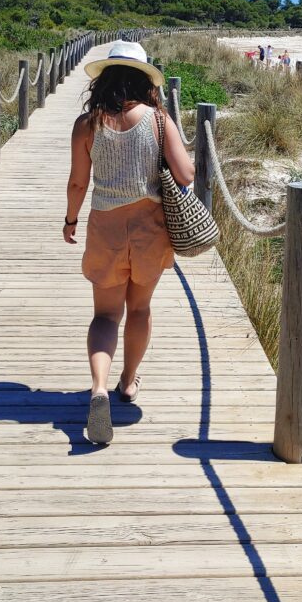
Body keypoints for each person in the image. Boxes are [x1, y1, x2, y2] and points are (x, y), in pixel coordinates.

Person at [64, 41, 195, 445]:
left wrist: (70, 220)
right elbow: (186, 174)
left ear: (104, 79)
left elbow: (78, 183)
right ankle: (127, 381)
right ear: (144, 80)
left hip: (105, 227)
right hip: (149, 230)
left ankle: (98, 388)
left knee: (105, 316)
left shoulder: (87, 124)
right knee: (139, 309)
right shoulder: (158, 119)